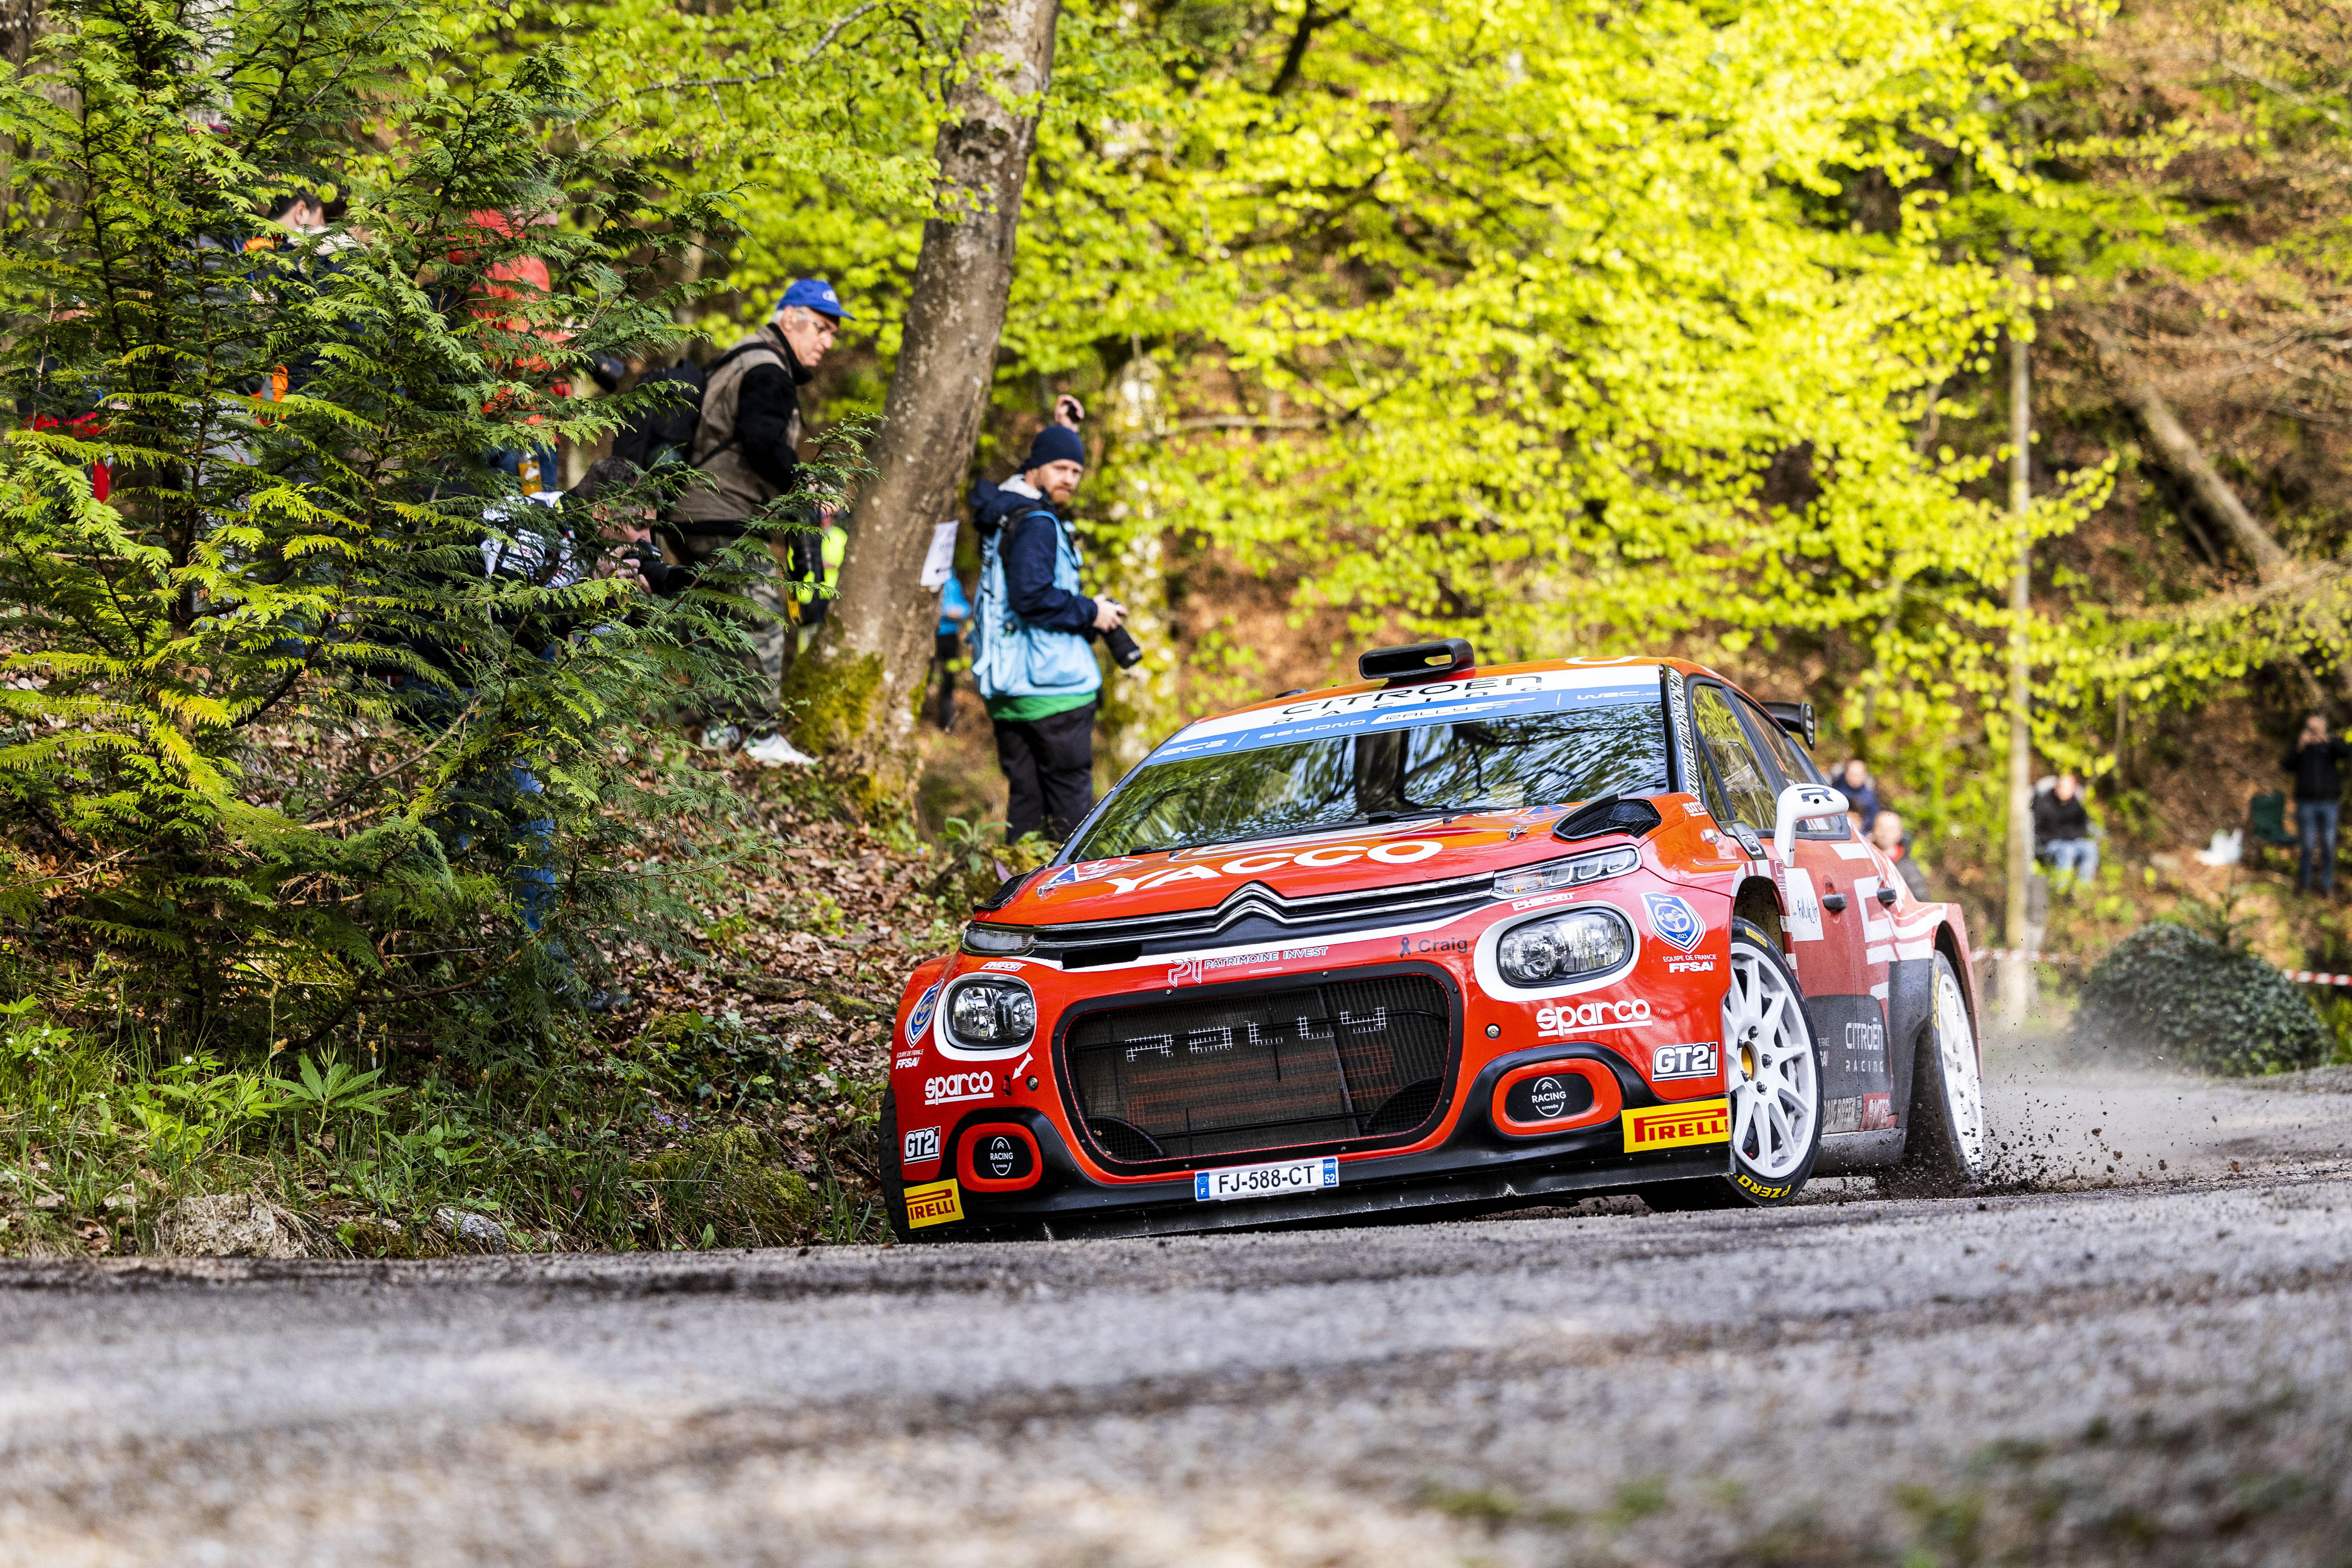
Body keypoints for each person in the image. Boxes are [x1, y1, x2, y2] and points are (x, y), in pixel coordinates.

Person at [666, 278, 849, 735]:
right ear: (790, 318)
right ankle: (759, 734)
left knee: (714, 623)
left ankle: (709, 729)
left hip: (688, 511)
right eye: (821, 329)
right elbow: (763, 442)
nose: (826, 342)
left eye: (832, 333)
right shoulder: (769, 370)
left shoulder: (740, 356)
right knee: (762, 614)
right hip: (722, 512)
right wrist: (808, 487)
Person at [969, 398, 1127, 842]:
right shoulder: (1038, 523)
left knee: (1026, 802)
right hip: (1055, 689)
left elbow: (1028, 478)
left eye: (1076, 472)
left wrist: (1061, 433)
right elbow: (1032, 596)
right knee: (1073, 812)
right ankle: (1075, 905)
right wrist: (1092, 611)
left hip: (1009, 687)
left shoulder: (1005, 508)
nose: (1070, 480)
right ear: (1038, 468)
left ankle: (1020, 895)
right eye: (1061, 469)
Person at [2284, 714, 2351, 895]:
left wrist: (2326, 738)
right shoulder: (2302, 747)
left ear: (2325, 726)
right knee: (2307, 845)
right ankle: (2303, 883)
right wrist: (2300, 745)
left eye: (2317, 727)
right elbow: (2286, 765)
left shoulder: (2331, 745)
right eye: (2310, 728)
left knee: (2329, 845)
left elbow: (2347, 752)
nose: (2313, 731)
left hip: (2330, 803)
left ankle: (2326, 885)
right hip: (2306, 803)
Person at [2032, 772, 2098, 891]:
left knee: (2091, 847)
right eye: (2062, 786)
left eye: (2068, 788)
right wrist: (2057, 837)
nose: (2064, 790)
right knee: (2067, 851)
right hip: (2051, 844)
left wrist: (2071, 836)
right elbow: (2037, 829)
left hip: (2072, 842)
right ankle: (2061, 891)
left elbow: (2083, 827)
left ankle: (2081, 890)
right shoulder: (2044, 804)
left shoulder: (2076, 805)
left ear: (2073, 789)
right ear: (2057, 786)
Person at [932, 571, 971, 731]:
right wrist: (945, 613)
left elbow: (965, 606)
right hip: (933, 636)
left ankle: (948, 724)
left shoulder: (954, 583)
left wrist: (960, 612)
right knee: (926, 678)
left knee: (949, 681)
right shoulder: (932, 578)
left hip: (951, 637)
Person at [1870, 809, 1931, 901]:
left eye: (1891, 829)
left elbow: (1921, 901)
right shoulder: (1863, 861)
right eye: (1881, 827)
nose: (1885, 833)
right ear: (1873, 830)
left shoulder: (1909, 869)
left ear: (1900, 834)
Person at [1835, 758, 1881, 827]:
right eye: (1853, 775)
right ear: (1846, 774)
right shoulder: (1837, 794)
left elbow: (1873, 820)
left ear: (1865, 775)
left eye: (1858, 775)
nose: (1855, 778)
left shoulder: (1870, 797)